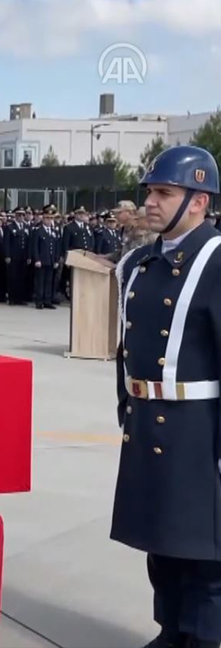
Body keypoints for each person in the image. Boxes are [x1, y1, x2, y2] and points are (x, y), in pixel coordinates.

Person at [112, 146, 221, 648]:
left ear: (199, 201)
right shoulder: (140, 262)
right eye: (150, 192)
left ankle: (201, 638)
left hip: (199, 427)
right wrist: (127, 407)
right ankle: (170, 629)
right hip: (149, 417)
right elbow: (126, 345)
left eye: (164, 192)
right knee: (163, 540)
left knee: (205, 551)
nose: (150, 203)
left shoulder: (216, 261)